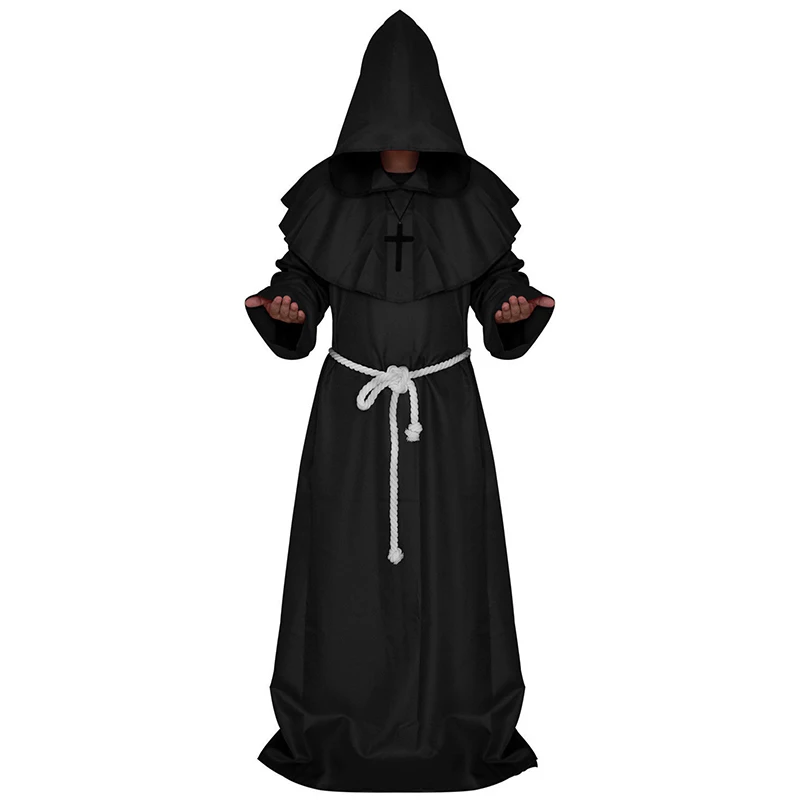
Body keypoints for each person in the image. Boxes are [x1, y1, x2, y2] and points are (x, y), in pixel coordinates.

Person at [243, 10, 555, 792]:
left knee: (455, 563)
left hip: (442, 412)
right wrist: (289, 309)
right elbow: (301, 285)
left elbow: (496, 284)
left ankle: (457, 717)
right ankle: (338, 715)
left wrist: (509, 308)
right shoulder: (329, 200)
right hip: (352, 417)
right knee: (343, 568)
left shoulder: (471, 201)